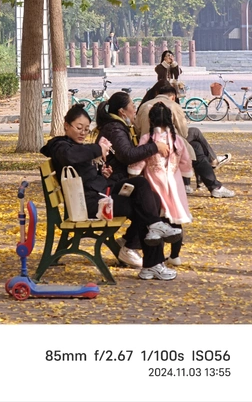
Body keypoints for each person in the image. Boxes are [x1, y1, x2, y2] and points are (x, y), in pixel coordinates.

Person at [41, 101, 182, 281]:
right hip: (90, 204)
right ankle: (152, 262)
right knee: (141, 206)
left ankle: (154, 233)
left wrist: (101, 172)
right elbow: (70, 156)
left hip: (101, 193)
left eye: (86, 129)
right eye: (79, 127)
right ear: (66, 126)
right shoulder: (58, 145)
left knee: (145, 189)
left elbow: (83, 170)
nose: (83, 132)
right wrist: (97, 149)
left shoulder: (75, 145)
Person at [135, 83, 234, 198]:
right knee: (195, 142)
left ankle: (210, 184)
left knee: (196, 146)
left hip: (147, 144)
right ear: (173, 96)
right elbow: (183, 133)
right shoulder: (173, 106)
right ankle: (214, 182)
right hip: (168, 145)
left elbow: (137, 129)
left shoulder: (144, 106)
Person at [128, 102, 192, 267]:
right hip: (174, 183)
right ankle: (175, 255)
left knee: (158, 221)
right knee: (175, 220)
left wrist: (133, 172)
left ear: (151, 120)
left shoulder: (148, 139)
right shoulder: (177, 140)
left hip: (155, 183)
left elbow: (140, 162)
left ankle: (159, 257)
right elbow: (186, 162)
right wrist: (185, 175)